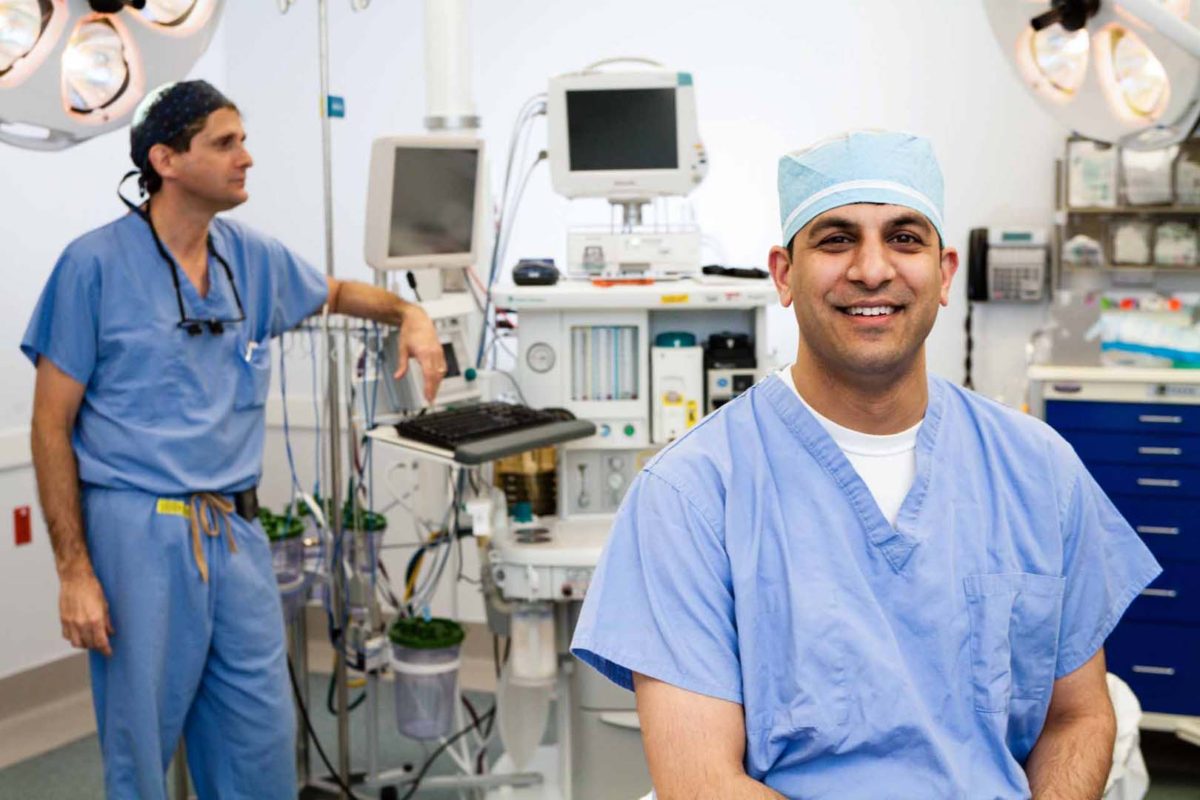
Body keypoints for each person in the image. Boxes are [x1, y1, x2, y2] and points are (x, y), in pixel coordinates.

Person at [570, 130, 1161, 799]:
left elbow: (1076, 719)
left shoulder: (1038, 471)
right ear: (784, 274)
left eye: (905, 238)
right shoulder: (691, 494)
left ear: (944, 273)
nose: (873, 269)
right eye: (835, 239)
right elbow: (704, 783)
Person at [22, 80, 447, 799]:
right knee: (141, 751)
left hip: (237, 535)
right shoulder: (93, 266)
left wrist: (411, 314)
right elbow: (48, 427)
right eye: (225, 143)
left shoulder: (251, 259)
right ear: (166, 159)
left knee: (259, 744)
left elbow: (339, 293)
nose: (246, 158)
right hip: (138, 535)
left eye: (242, 140)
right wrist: (74, 571)